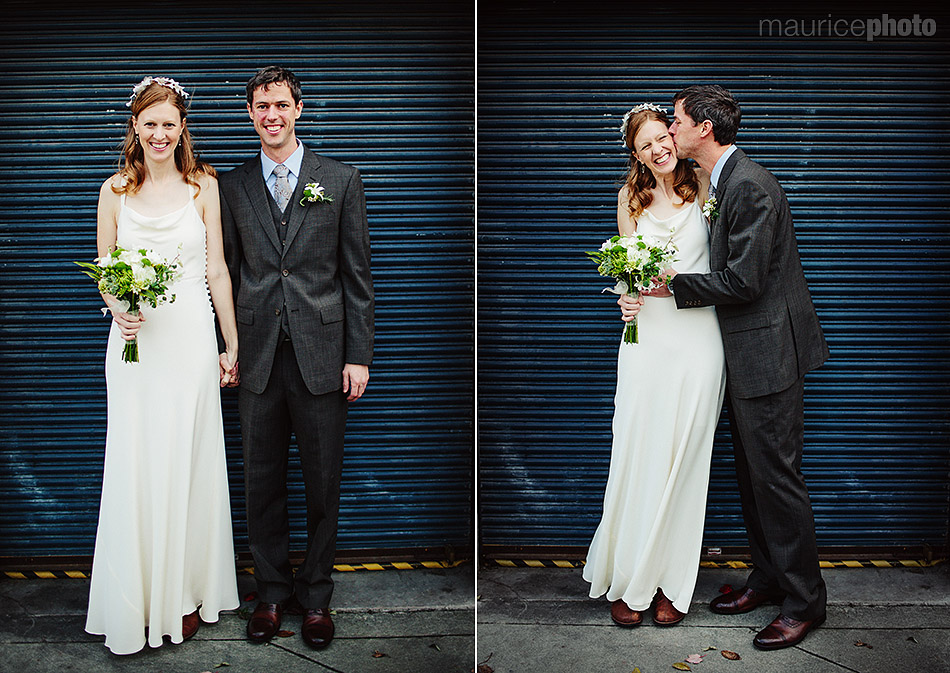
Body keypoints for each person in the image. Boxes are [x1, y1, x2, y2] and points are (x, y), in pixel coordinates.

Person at [636, 84, 829, 650]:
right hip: (747, 355)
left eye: (675, 122)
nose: (670, 131)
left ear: (703, 127)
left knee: (777, 480)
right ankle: (768, 580)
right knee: (752, 478)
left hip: (768, 355)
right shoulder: (723, 182)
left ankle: (804, 602)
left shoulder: (750, 186)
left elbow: (744, 281)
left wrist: (669, 285)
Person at [218, 66, 374, 650]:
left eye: (280, 104)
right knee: (260, 483)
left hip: (322, 356)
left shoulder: (339, 179)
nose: (271, 115)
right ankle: (271, 595)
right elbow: (227, 276)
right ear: (250, 113)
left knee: (322, 482)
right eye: (261, 106)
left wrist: (358, 355)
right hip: (257, 358)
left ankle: (316, 600)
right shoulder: (231, 187)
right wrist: (229, 347)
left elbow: (357, 279)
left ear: (299, 109)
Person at [84, 76, 240, 655]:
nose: (158, 133)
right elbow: (106, 266)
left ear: (181, 129)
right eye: (148, 123)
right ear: (135, 127)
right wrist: (117, 309)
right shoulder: (115, 190)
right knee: (136, 461)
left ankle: (184, 593)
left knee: (187, 459)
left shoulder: (205, 188)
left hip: (189, 345)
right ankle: (138, 597)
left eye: (168, 123)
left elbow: (217, 271)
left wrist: (230, 342)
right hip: (135, 349)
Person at [583, 103, 726, 628]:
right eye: (645, 146)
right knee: (639, 454)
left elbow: (726, 264)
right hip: (646, 341)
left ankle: (671, 584)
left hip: (699, 340)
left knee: (686, 463)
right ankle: (630, 578)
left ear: (675, 135)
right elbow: (626, 266)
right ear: (636, 156)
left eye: (662, 138)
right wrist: (621, 296)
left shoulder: (708, 189)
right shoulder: (630, 198)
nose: (658, 150)